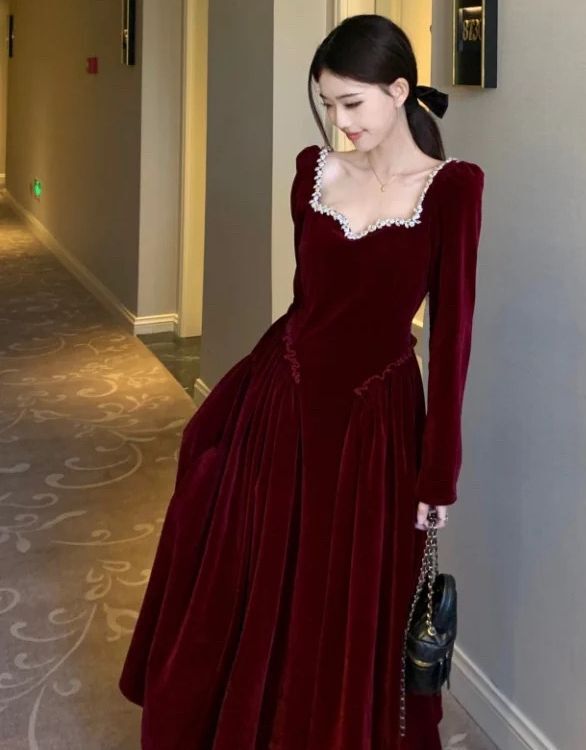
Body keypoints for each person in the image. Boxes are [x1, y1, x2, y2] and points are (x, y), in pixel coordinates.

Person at [118, 13, 484, 750]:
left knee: (343, 596)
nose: (340, 122)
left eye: (352, 103)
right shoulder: (312, 173)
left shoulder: (450, 190)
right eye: (327, 104)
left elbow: (453, 339)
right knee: (255, 579)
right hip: (281, 403)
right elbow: (306, 303)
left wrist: (437, 473)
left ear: (399, 91)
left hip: (373, 425)